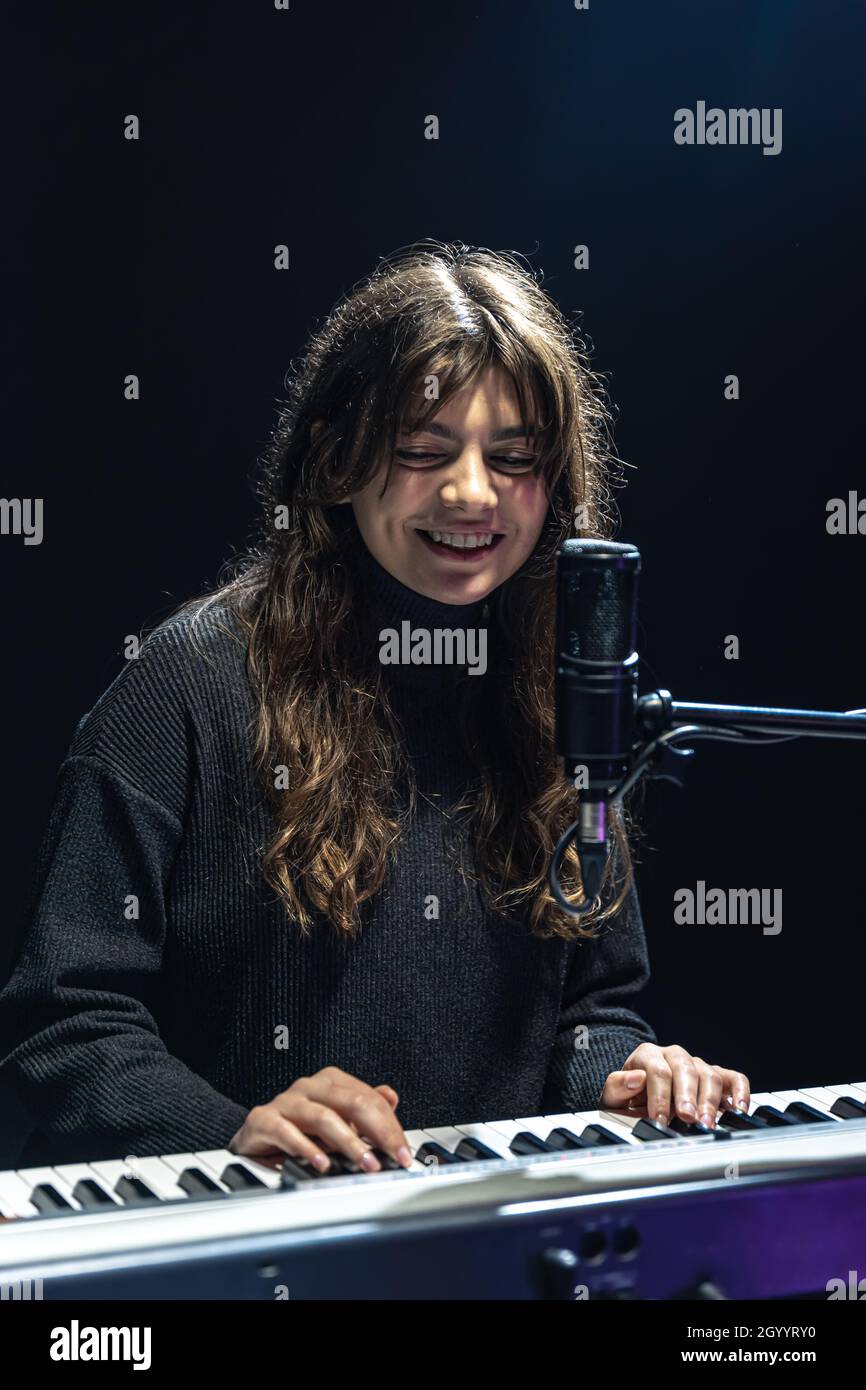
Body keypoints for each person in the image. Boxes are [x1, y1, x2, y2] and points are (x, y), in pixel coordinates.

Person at [0, 241, 749, 1173]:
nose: (473, 492)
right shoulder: (186, 682)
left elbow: (590, 1011)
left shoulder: (571, 700)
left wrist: (624, 1072)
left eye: (513, 457)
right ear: (337, 457)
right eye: (422, 451)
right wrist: (230, 1129)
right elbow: (59, 1026)